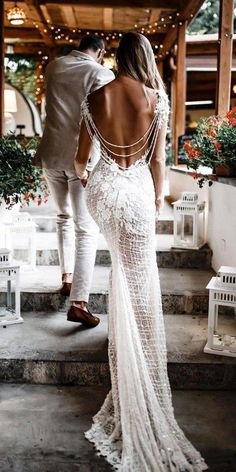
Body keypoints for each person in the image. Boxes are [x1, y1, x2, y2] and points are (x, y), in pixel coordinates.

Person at [74, 32, 209, 471]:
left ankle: (125, 349)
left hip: (102, 191)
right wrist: (152, 202)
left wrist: (90, 180)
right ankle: (144, 369)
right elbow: (155, 162)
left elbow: (81, 159)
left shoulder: (96, 96)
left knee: (119, 274)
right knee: (139, 278)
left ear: (117, 57)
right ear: (146, 58)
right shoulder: (155, 97)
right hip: (134, 194)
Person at [36, 34, 115, 326]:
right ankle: (79, 302)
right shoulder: (100, 73)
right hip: (81, 159)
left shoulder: (53, 67)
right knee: (86, 228)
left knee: (62, 217)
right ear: (99, 52)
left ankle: (67, 277)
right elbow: (103, 119)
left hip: (50, 154)